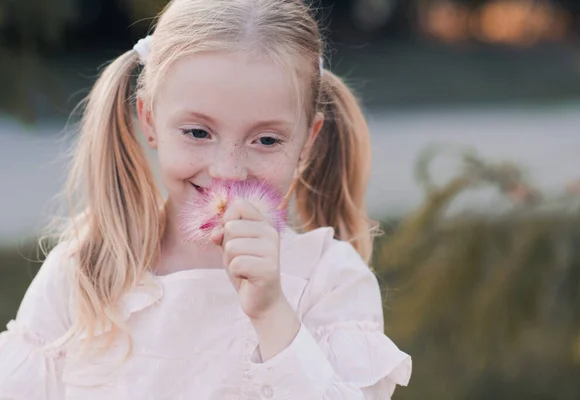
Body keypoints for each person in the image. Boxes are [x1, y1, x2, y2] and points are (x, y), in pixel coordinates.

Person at [0, 0, 412, 398]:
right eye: (198, 132)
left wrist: (272, 314)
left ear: (307, 142)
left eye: (266, 140)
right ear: (149, 120)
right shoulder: (87, 268)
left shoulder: (328, 280)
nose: (228, 170)